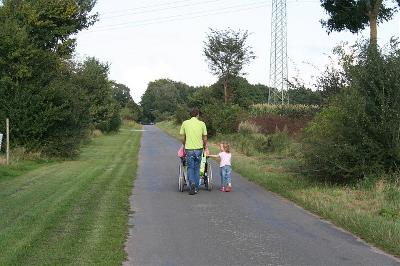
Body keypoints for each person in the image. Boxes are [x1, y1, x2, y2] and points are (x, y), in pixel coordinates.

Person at [180, 108, 208, 195]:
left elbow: (182, 138)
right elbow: (205, 138)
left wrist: (184, 145)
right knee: (197, 168)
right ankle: (196, 187)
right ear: (197, 115)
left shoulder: (185, 123)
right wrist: (204, 146)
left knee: (190, 167)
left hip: (189, 149)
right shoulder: (202, 124)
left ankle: (191, 183)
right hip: (199, 149)